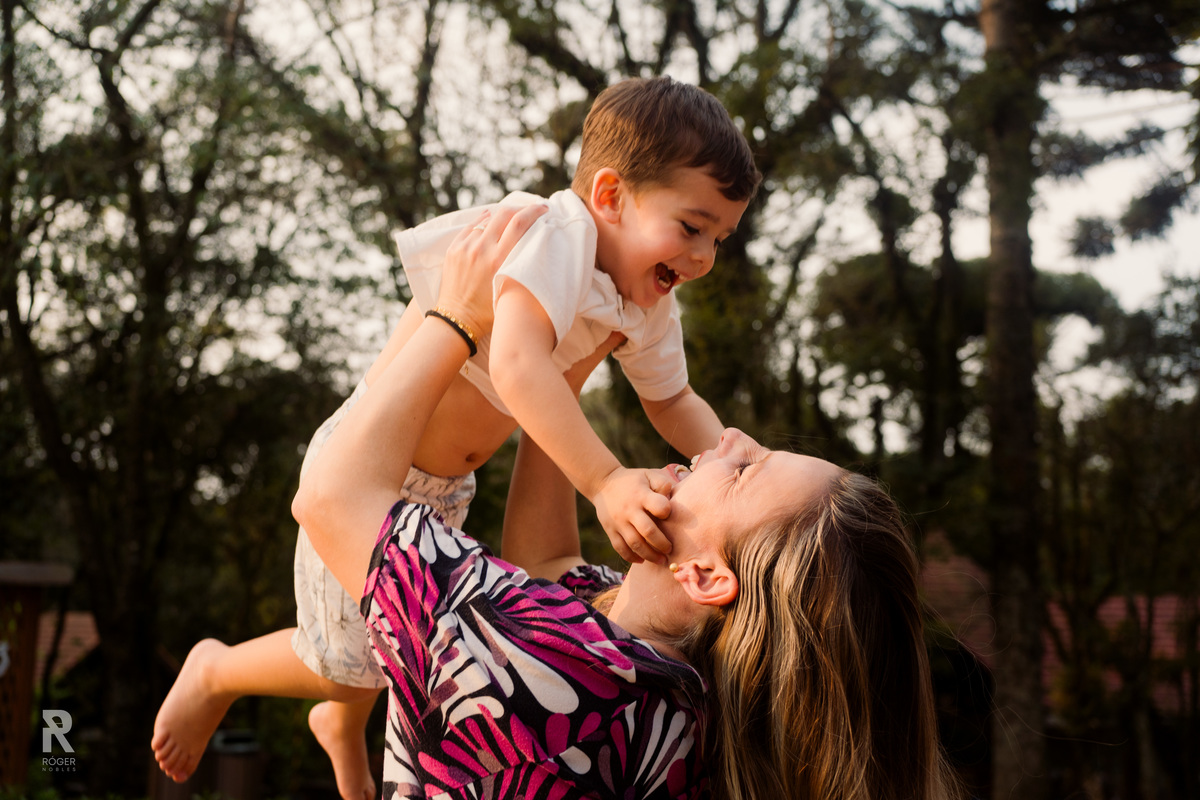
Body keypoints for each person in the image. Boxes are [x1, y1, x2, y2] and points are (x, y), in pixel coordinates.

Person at [153, 75, 760, 798]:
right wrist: (604, 481)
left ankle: (340, 722)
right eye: (691, 227)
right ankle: (216, 669)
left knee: (396, 641)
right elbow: (518, 365)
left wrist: (746, 465)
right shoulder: (553, 236)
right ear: (609, 196)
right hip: (373, 465)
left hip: (445, 487)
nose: (704, 257)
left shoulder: (643, 298)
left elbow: (674, 399)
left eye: (719, 239)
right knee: (342, 666)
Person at [290, 206, 962, 799]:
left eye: (745, 470)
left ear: (706, 576)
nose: (730, 438)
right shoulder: (683, 693)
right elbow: (545, 568)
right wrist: (566, 371)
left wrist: (455, 316)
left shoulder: (547, 669)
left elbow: (330, 498)